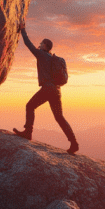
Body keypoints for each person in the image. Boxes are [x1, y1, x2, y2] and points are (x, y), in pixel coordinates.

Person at [13, 22, 79, 154]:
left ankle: (28, 132)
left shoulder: (41, 54)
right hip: (56, 90)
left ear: (45, 46)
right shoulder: (52, 58)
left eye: (41, 43)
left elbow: (28, 44)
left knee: (30, 106)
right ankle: (74, 143)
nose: (39, 44)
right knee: (59, 117)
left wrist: (22, 30)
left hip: (48, 89)